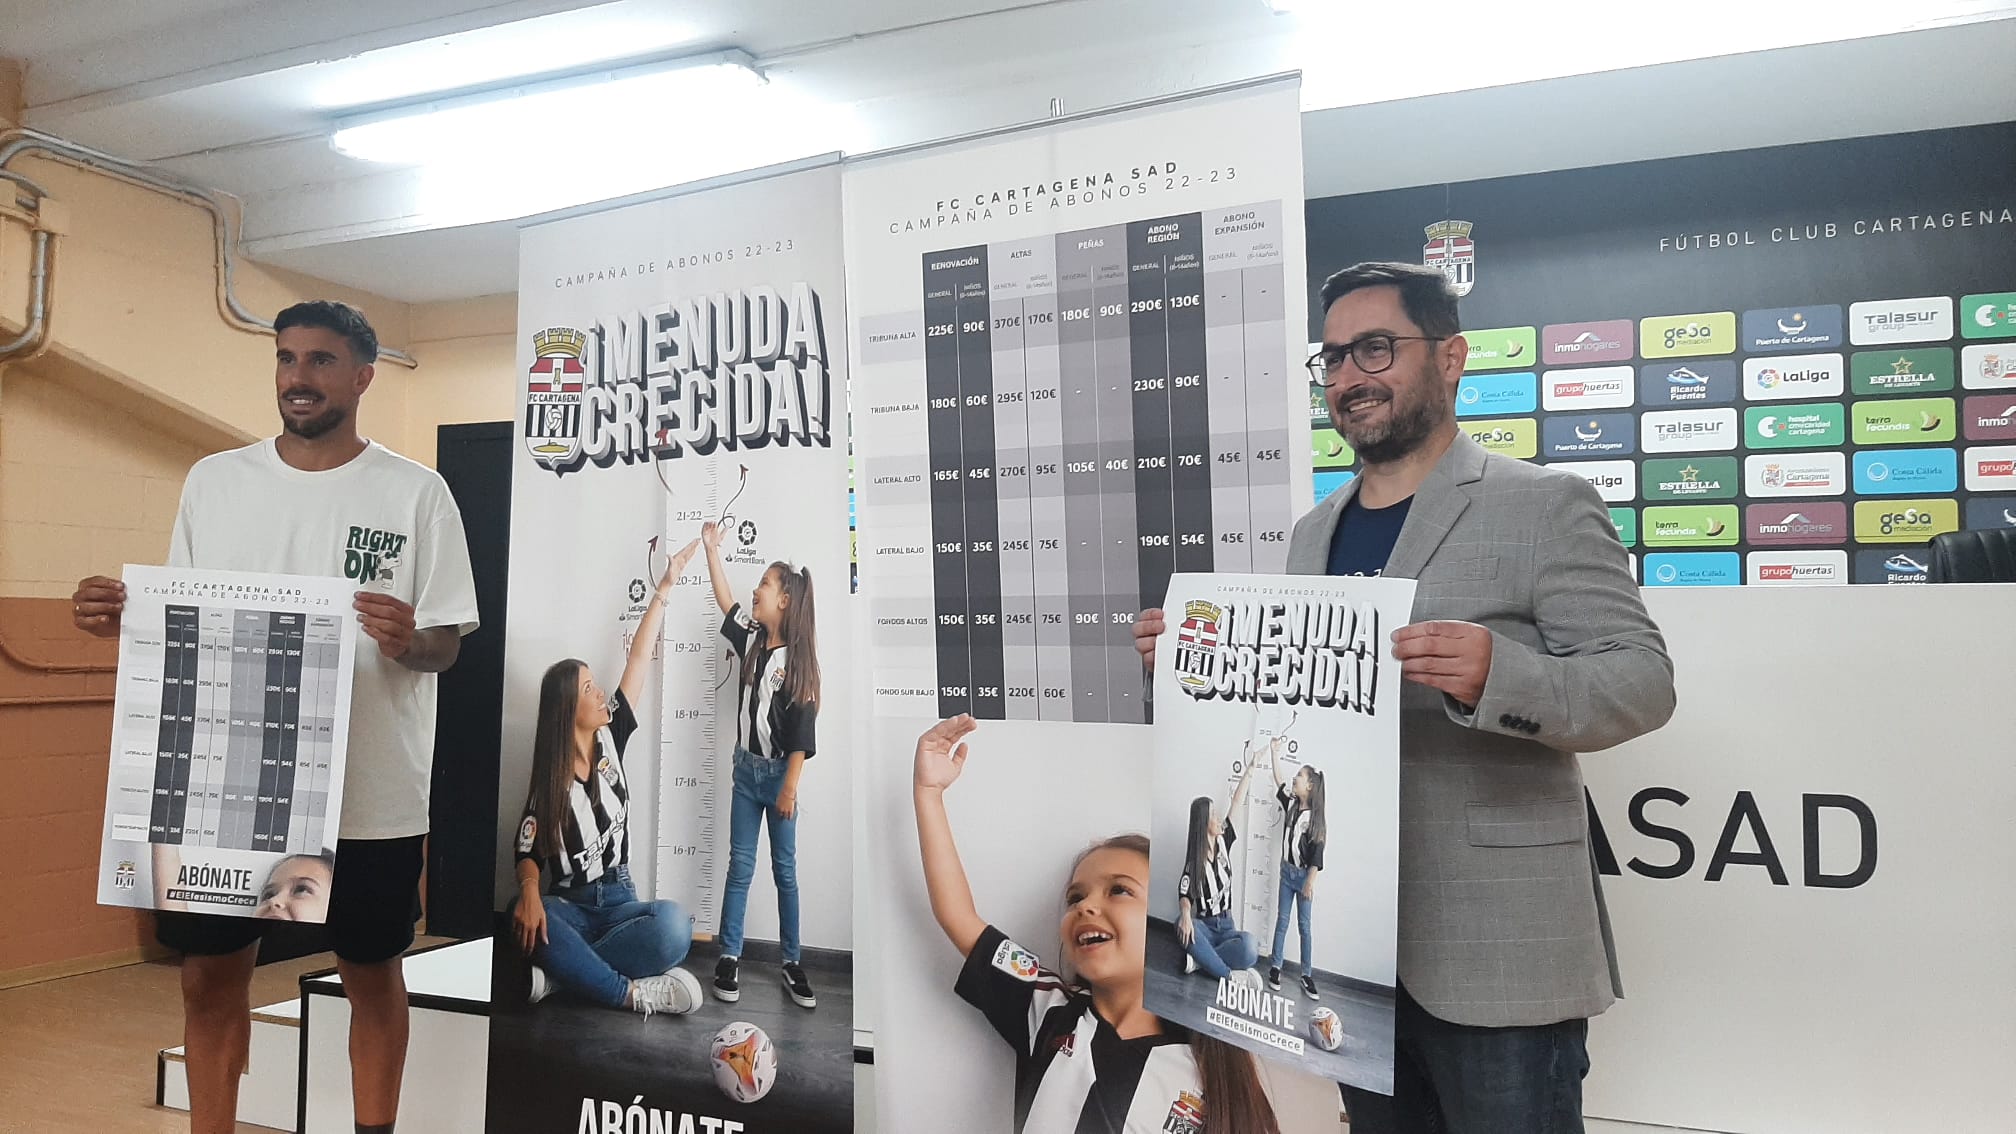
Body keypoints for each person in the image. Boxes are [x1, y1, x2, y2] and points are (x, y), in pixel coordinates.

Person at [1135, 262, 1676, 1132]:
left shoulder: (1542, 505)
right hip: (1357, 959)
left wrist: (1498, 674)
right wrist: (1196, 671)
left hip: (1495, 951)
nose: (1349, 376)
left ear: (1451, 357)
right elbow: (1295, 717)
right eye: (1334, 358)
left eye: (1375, 349)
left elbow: (1642, 683)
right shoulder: (1313, 534)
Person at [72, 300, 479, 1134]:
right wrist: (126, 615)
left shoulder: (418, 493)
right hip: (231, 782)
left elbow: (447, 645)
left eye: (321, 361)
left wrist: (412, 641)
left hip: (368, 791)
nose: (298, 377)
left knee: (369, 972)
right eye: (287, 359)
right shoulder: (216, 480)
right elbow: (184, 615)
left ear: (363, 376)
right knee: (209, 977)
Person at [911, 715, 1282, 1134]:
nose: (1086, 907)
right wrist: (928, 794)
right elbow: (959, 918)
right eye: (1075, 897)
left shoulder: (1211, 1073)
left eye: (1119, 890)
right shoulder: (1046, 1007)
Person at [510, 539, 705, 1019]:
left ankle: (565, 976)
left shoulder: (612, 736)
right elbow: (528, 853)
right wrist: (532, 892)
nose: (601, 695)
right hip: (570, 907)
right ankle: (629, 993)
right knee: (533, 917)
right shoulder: (549, 783)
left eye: (597, 685)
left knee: (674, 927)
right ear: (567, 710)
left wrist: (665, 585)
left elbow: (638, 660)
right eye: (589, 689)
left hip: (619, 899)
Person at [699, 520, 821, 1009]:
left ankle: (791, 960)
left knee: (785, 871)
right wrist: (712, 550)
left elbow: (800, 738)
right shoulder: (752, 640)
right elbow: (725, 599)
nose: (756, 590)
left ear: (785, 600)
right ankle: (730, 954)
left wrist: (789, 788)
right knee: (740, 867)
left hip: (779, 780)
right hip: (745, 774)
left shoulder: (799, 663)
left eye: (765, 585)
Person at [1176, 744, 1262, 983]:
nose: (1218, 818)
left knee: (1250, 947)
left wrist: (1251, 768)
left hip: (1226, 927)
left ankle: (1201, 962)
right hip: (1204, 926)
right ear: (1204, 823)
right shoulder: (1194, 861)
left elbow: (1237, 802)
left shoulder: (1224, 840)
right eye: (1213, 815)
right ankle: (1227, 975)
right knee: (1180, 925)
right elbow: (1185, 894)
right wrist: (1184, 914)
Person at [1259, 739, 1326, 1000]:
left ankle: (1306, 974)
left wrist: (1310, 880)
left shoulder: (1315, 820)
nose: (1294, 778)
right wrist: (1275, 754)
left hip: (1303, 878)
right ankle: (1275, 967)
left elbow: (1317, 854)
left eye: (1299, 775)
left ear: (1309, 786)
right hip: (1286, 874)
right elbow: (1278, 780)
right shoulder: (1291, 805)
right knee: (1282, 921)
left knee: (1305, 927)